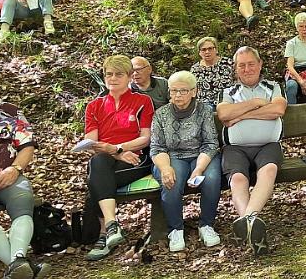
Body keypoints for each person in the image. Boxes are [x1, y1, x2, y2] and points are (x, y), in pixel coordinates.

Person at [0, 60, 50, 279]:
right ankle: (20, 264)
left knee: (23, 200)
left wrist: (15, 168)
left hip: (9, 173)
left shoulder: (10, 111)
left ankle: (16, 264)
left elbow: (27, 146)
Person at [82, 55, 155, 261]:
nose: (113, 78)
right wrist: (116, 152)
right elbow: (91, 143)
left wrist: (118, 148)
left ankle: (105, 234)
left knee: (96, 177)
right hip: (108, 159)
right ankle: (112, 225)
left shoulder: (142, 101)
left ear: (130, 77)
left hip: (136, 159)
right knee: (98, 164)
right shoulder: (94, 106)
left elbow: (146, 138)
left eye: (119, 74)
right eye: (109, 74)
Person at [216, 47, 287, 255]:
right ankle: (251, 223)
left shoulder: (273, 87)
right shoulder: (228, 92)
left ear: (260, 64)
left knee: (269, 170)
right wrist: (255, 104)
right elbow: (224, 114)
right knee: (237, 178)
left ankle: (248, 220)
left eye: (251, 64)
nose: (247, 69)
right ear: (236, 69)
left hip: (268, 145)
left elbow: (277, 110)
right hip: (235, 148)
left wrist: (240, 116)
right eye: (242, 65)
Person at [149, 70, 222, 252]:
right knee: (171, 182)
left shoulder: (204, 110)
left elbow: (211, 143)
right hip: (172, 157)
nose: (178, 95)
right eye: (174, 91)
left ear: (194, 91)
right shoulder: (161, 114)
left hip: (202, 155)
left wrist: (198, 169)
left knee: (211, 179)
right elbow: (157, 148)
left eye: (183, 91)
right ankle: (175, 229)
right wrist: (165, 168)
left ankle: (206, 225)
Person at [191, 36, 235, 108]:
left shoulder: (228, 63)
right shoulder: (195, 69)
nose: (207, 52)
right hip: (203, 106)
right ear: (199, 53)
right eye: (203, 50)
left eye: (210, 48)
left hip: (226, 103)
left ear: (216, 50)